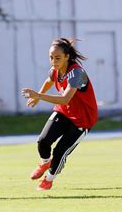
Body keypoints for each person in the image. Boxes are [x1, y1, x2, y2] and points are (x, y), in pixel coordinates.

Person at [21, 38, 97, 191]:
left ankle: (48, 180)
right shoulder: (55, 70)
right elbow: (49, 80)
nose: (53, 61)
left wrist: (38, 96)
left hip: (82, 119)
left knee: (60, 151)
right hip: (64, 112)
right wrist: (39, 95)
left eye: (57, 58)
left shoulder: (76, 73)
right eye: (51, 57)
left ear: (67, 57)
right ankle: (44, 162)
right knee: (43, 140)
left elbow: (64, 99)